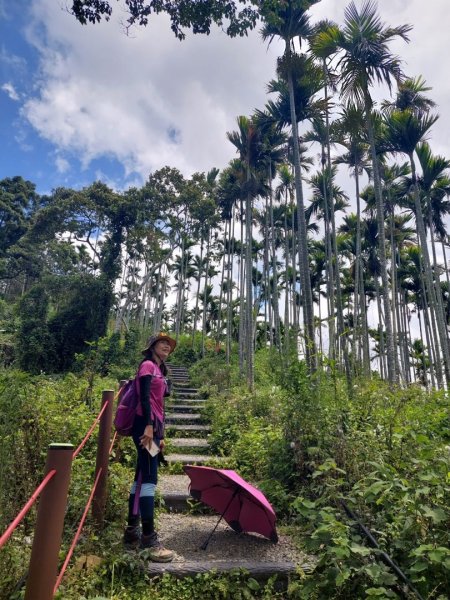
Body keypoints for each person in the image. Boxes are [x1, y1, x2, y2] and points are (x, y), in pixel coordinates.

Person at [123, 332, 176, 562]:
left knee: (141, 476)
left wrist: (159, 434)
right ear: (152, 345)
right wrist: (148, 427)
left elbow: (159, 404)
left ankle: (132, 530)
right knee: (150, 477)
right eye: (163, 343)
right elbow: (145, 399)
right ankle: (148, 537)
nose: (167, 346)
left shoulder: (159, 371)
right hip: (144, 427)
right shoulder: (146, 366)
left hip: (152, 429)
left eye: (169, 345)